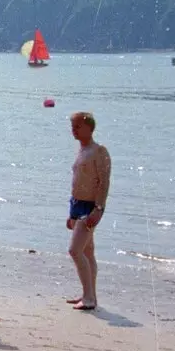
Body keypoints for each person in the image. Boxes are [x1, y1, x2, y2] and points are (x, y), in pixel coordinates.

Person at [66, 111, 111, 311]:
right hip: (77, 205)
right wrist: (71, 213)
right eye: (72, 126)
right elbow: (77, 182)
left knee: (75, 251)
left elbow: (103, 182)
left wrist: (99, 209)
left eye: (77, 126)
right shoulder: (81, 150)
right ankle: (89, 293)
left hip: (90, 207)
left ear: (89, 127)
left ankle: (89, 298)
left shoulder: (99, 151)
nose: (73, 130)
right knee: (87, 252)